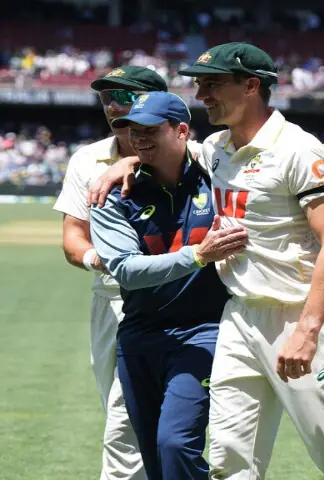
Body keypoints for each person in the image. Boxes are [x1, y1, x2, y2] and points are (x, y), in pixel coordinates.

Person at [88, 42, 324, 479]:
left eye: (212, 84)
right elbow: (168, 146)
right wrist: (129, 159)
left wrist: (307, 331)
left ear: (251, 86)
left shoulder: (298, 150)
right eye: (199, 84)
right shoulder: (215, 148)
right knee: (230, 457)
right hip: (237, 317)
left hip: (299, 313)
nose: (201, 94)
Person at [90, 92, 248, 479]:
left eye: (150, 130)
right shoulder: (113, 194)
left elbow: (284, 206)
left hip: (204, 333)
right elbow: (126, 270)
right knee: (155, 459)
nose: (139, 138)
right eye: (132, 130)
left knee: (175, 443)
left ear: (181, 131)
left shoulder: (220, 177)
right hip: (139, 336)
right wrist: (198, 255)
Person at [52, 65, 170, 480]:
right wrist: (98, 259)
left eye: (125, 95)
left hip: (168, 302)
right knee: (128, 417)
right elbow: (73, 237)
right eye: (106, 97)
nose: (112, 105)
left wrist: (137, 159)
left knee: (125, 425)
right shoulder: (88, 158)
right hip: (109, 299)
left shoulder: (189, 151)